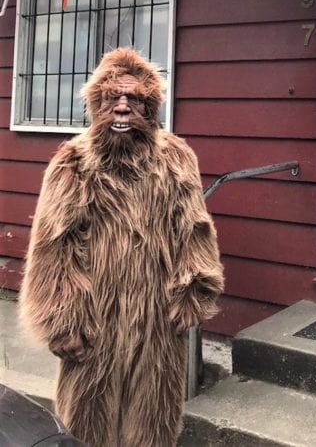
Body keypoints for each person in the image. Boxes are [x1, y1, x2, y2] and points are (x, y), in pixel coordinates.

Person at [20, 47, 224, 447]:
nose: (122, 109)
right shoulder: (71, 164)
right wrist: (62, 322)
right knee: (85, 427)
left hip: (158, 321)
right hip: (94, 321)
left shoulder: (177, 159)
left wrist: (193, 294)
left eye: (135, 100)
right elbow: (52, 248)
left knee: (153, 425)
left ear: (150, 109)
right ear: (96, 106)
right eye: (111, 99)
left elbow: (195, 230)